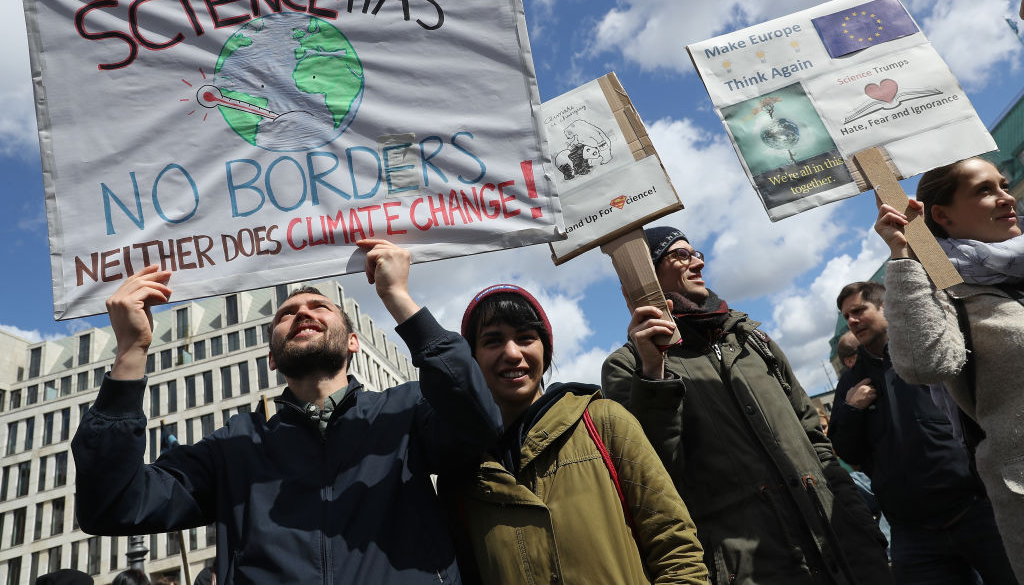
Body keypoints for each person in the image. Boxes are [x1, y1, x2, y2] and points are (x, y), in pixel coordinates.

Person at [71, 239, 503, 584]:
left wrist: (397, 297)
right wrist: (130, 351)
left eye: (319, 307)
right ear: (273, 358)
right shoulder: (233, 448)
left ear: (353, 342)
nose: (302, 313)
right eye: (287, 314)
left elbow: (478, 420)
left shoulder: (407, 412)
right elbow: (112, 505)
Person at [602, 226, 892, 585]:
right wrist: (654, 372)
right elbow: (654, 477)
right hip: (754, 570)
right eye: (680, 255)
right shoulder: (628, 366)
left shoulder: (752, 339)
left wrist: (858, 519)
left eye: (696, 253)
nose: (697, 263)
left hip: (847, 551)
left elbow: (815, 440)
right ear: (646, 274)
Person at [442, 284, 708, 584]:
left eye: (526, 338)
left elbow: (677, 549)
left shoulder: (605, 422)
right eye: (493, 341)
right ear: (473, 359)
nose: (512, 353)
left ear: (546, 349)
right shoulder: (463, 477)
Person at [875, 156, 1024, 581]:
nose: (1006, 197)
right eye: (984, 190)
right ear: (941, 214)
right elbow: (924, 364)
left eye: (1004, 184)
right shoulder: (943, 287)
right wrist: (903, 254)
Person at [829, 280, 1016, 585]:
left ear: (884, 307)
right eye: (846, 315)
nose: (851, 320)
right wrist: (852, 411)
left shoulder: (923, 352)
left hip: (978, 511)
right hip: (913, 534)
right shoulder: (850, 384)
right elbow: (846, 451)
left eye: (859, 310)